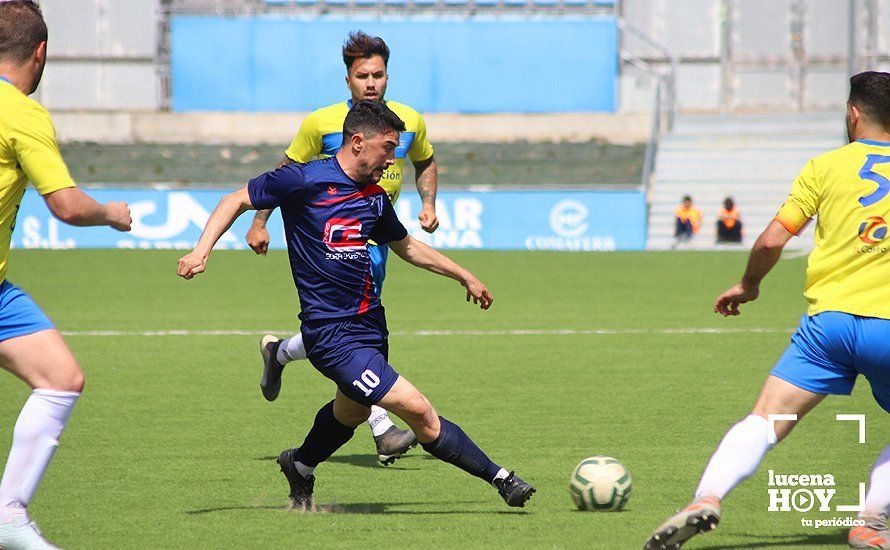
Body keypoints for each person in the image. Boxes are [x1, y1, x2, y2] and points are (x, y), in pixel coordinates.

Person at [178, 100, 535, 511]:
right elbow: (234, 200)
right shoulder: (302, 179)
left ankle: (301, 464)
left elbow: (407, 247)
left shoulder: (375, 198)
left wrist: (464, 275)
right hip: (330, 334)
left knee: (351, 413)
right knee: (418, 410)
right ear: (358, 142)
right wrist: (201, 252)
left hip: (370, 326)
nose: (392, 158)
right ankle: (502, 479)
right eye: (387, 148)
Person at [645, 71, 890, 550]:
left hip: (828, 326)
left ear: (853, 113)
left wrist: (748, 284)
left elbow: (772, 239)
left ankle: (707, 497)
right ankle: (872, 522)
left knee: (765, 419)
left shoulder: (823, 166)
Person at [246, 31, 439, 466]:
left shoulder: (405, 122)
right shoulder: (322, 123)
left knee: (350, 331)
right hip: (332, 240)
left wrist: (428, 202)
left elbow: (426, 159)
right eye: (362, 75)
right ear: (348, 79)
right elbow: (285, 174)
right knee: (351, 332)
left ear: (389, 76)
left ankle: (279, 352)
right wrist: (260, 222)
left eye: (379, 74)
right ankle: (381, 426)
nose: (371, 83)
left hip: (379, 236)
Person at [0, 2, 132, 548]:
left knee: (60, 378)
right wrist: (112, 213)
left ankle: (8, 518)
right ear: (41, 52)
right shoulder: (21, 112)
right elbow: (68, 206)